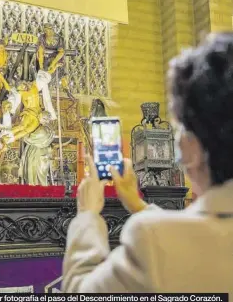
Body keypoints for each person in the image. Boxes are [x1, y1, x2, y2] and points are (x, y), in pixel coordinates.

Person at [62, 32, 233, 293]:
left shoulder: (152, 239)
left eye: (179, 130)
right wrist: (137, 204)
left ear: (194, 149)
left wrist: (86, 215)